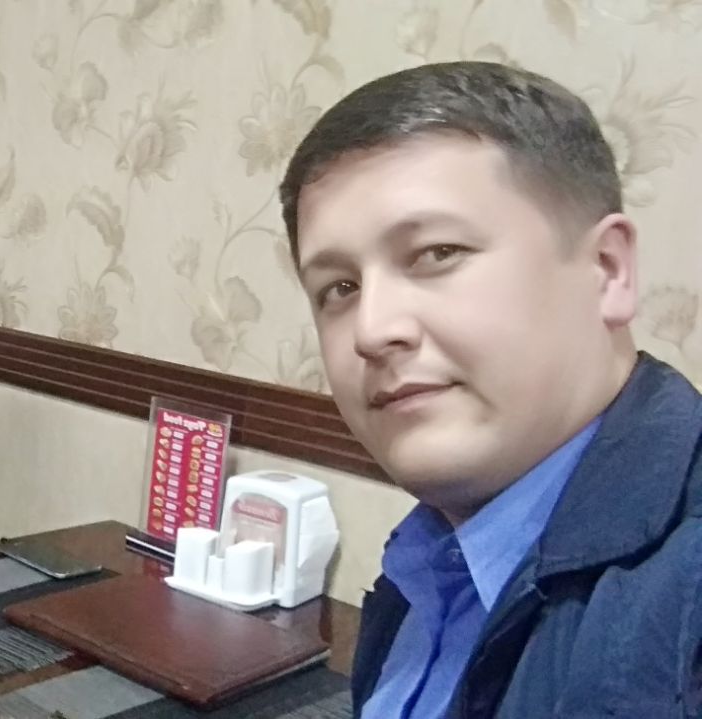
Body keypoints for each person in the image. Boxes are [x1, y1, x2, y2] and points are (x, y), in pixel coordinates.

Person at [280, 62, 702, 717]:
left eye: (437, 253)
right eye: (339, 287)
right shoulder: (430, 560)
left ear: (607, 269)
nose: (372, 330)